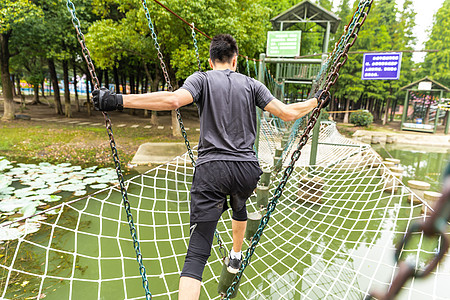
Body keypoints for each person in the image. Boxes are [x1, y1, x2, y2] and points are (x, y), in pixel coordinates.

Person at [93, 34, 329, 300]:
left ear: (211, 60)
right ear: (235, 60)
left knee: (197, 253)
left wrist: (117, 100)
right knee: (239, 204)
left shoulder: (201, 79)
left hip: (211, 171)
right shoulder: (252, 84)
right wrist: (315, 102)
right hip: (246, 171)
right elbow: (287, 113)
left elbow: (172, 100)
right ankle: (236, 255)